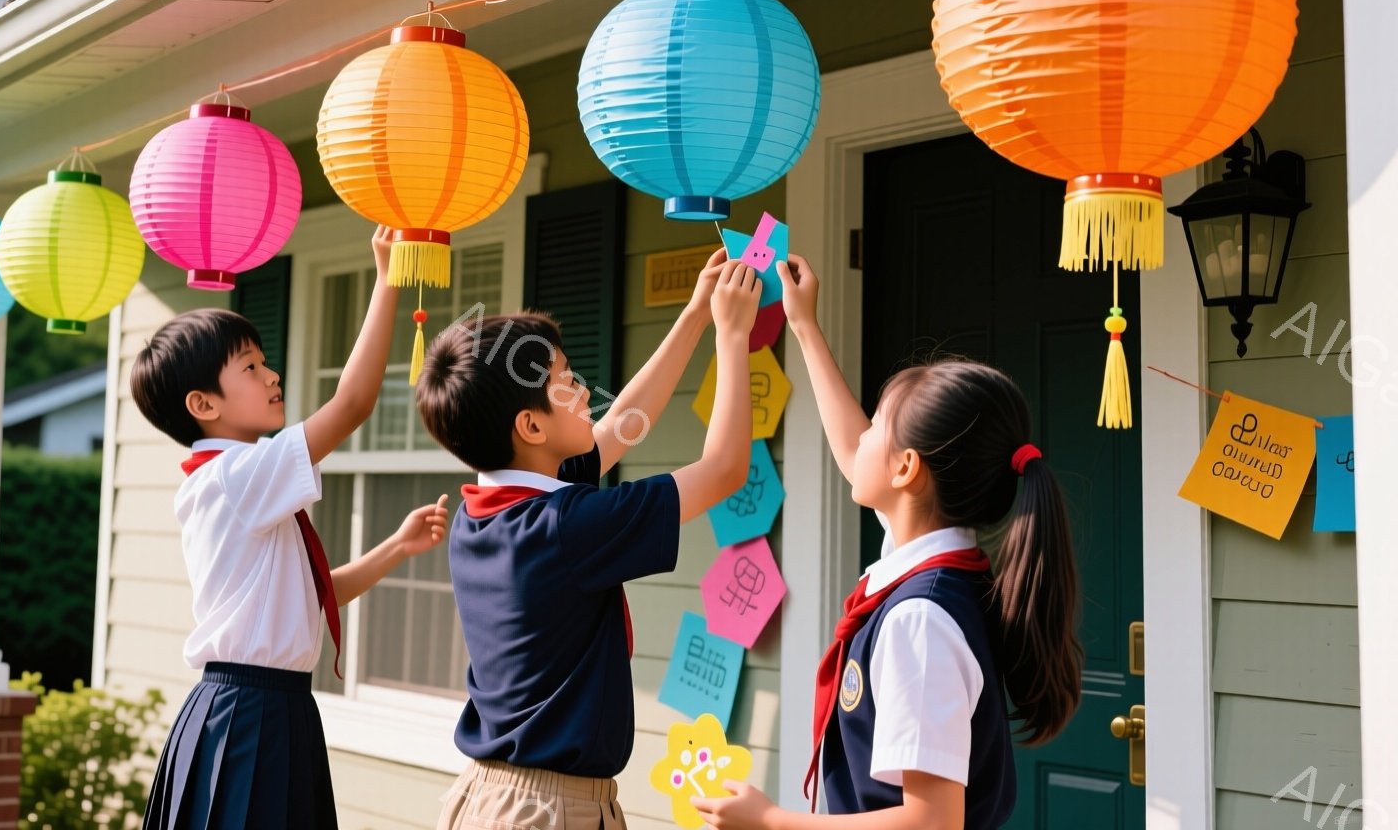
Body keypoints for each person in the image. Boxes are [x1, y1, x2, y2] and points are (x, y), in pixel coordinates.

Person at [693, 253, 1083, 830]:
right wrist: (803, 325)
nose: (863, 435)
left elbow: (931, 823)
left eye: (876, 422)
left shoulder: (917, 620)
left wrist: (772, 820)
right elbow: (857, 456)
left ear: (905, 469)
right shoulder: (938, 566)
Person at [414, 252, 763, 830]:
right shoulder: (562, 526)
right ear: (530, 428)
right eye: (568, 381)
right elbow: (724, 469)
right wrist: (732, 334)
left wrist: (696, 314)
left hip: (499, 796)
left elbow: (623, 425)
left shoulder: (491, 512)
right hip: (546, 809)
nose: (583, 389)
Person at [130, 226, 449, 829]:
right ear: (204, 406)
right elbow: (352, 404)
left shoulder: (238, 479)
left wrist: (395, 548)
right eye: (251, 367)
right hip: (250, 710)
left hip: (267, 707)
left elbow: (308, 595)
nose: (272, 375)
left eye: (264, 362)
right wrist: (386, 283)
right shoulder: (237, 475)